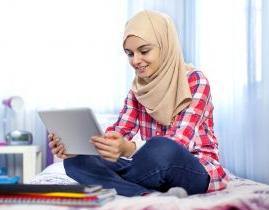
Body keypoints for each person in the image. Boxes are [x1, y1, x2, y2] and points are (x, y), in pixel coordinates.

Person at [48, 10, 229, 197]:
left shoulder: (195, 81)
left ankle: (118, 184)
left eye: (144, 51)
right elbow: (117, 133)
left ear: (165, 46)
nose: (135, 61)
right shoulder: (138, 89)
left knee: (161, 148)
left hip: (192, 169)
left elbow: (179, 142)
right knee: (76, 163)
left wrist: (127, 148)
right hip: (150, 169)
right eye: (129, 54)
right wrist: (75, 149)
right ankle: (146, 195)